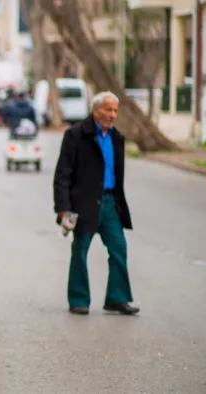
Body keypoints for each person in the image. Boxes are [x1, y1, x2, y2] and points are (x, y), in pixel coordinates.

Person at [53, 91, 139, 316]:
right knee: (80, 249)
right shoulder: (76, 135)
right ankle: (79, 299)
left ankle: (117, 298)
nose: (113, 115)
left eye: (115, 111)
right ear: (96, 110)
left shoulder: (116, 138)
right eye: (109, 110)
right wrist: (63, 208)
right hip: (84, 204)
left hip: (110, 203)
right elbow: (63, 173)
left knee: (119, 247)